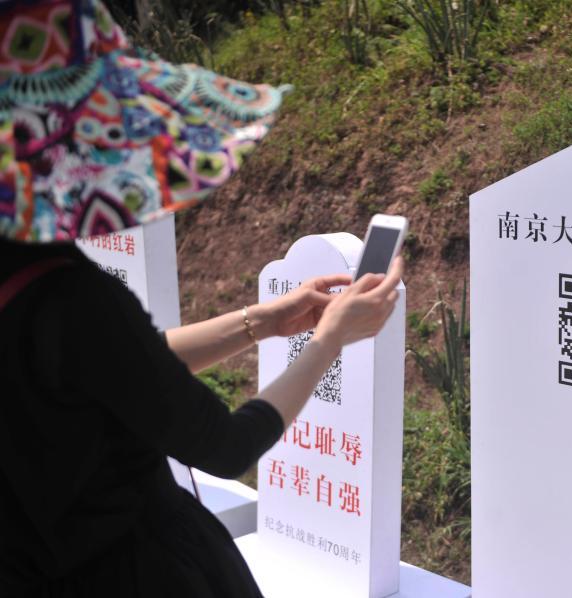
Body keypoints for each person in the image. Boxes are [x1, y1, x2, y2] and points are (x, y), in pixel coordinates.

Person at [0, 1, 402, 596]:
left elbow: (116, 368)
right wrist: (329, 340)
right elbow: (225, 445)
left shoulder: (29, 280)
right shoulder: (75, 296)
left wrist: (260, 323)